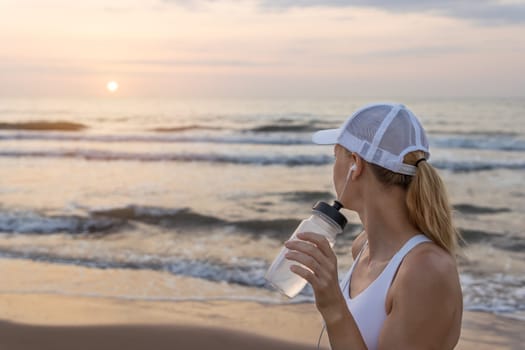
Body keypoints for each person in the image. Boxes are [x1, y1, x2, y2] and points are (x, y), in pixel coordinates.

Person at [284, 102, 463, 350]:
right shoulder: (363, 246)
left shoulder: (426, 270)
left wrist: (333, 306)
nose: (333, 166)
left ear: (355, 165)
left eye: (336, 156)